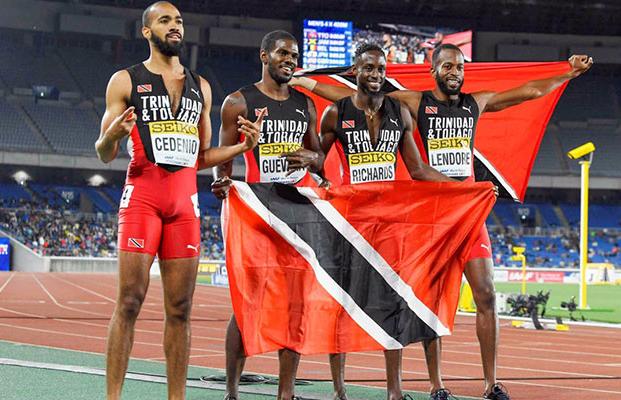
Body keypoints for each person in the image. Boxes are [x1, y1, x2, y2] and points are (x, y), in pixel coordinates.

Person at [291, 44, 593, 400]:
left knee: (486, 294)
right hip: (429, 214)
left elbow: (525, 93)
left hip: (465, 212)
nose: (455, 72)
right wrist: (306, 83)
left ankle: (490, 383)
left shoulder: (474, 103)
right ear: (433, 71)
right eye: (448, 66)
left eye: (460, 67)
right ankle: (436, 385)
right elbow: (352, 93)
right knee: (426, 300)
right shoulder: (415, 103)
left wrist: (567, 74)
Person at [95, 2, 260, 399]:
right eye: (165, 21)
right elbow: (103, 152)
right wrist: (113, 136)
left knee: (180, 310)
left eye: (179, 21)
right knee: (130, 302)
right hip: (142, 200)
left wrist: (242, 147)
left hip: (184, 205)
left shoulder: (200, 87)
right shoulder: (125, 81)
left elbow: (201, 157)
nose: (175, 26)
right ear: (148, 31)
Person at [318, 42, 456, 400]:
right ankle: (338, 389)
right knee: (342, 302)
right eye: (368, 68)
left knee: (394, 301)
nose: (375, 75)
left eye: (380, 69)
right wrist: (308, 162)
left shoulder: (400, 113)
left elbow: (418, 169)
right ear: (355, 71)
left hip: (392, 223)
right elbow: (318, 161)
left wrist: (462, 187)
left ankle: (394, 391)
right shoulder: (336, 113)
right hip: (351, 221)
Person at [209, 30, 326, 400]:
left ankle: (285, 393)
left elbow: (321, 158)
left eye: (294, 55)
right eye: (282, 53)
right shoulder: (238, 102)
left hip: (297, 211)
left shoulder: (305, 105)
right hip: (256, 210)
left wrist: (311, 159)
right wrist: (221, 184)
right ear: (264, 56)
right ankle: (231, 391)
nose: (289, 60)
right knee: (249, 301)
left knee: (296, 305)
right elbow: (222, 157)